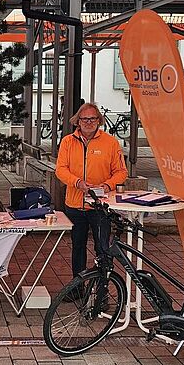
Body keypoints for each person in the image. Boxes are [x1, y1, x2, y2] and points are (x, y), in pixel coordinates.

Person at [55, 102, 128, 282]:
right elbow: (60, 170)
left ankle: (101, 294)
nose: (88, 122)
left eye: (93, 118)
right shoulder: (67, 141)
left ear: (99, 120)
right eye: (84, 119)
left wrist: (107, 185)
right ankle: (77, 288)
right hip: (75, 205)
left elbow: (121, 172)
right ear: (77, 121)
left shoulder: (111, 143)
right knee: (77, 248)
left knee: (102, 249)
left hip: (100, 206)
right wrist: (77, 182)